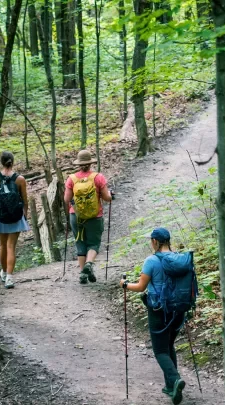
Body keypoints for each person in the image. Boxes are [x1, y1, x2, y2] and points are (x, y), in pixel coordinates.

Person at [119, 228, 186, 405]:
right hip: (179, 309)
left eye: (151, 240)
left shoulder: (151, 260)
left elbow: (141, 287)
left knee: (160, 350)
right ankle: (171, 386)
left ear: (155, 242)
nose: (151, 242)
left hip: (158, 310)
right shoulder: (180, 258)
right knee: (169, 344)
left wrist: (125, 284)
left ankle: (175, 378)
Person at [64, 150, 113, 284]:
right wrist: (111, 194)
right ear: (90, 163)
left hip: (76, 216)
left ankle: (83, 275)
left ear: (79, 164)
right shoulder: (98, 177)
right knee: (94, 243)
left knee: (80, 243)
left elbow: (67, 199)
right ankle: (89, 264)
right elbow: (107, 198)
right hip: (94, 216)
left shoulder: (72, 178)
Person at [0, 151, 30, 289]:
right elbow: (25, 200)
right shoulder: (20, 179)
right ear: (12, 162)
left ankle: (3, 272)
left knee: (2, 245)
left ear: (1, 162)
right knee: (11, 246)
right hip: (15, 216)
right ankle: (9, 278)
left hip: (1, 216)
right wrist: (25, 214)